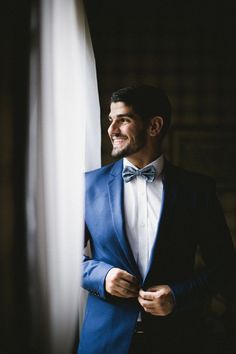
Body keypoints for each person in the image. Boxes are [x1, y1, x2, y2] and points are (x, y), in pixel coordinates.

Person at [78, 85, 236, 354]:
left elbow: (225, 267)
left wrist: (177, 296)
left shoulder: (196, 190)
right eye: (110, 120)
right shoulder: (88, 186)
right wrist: (101, 276)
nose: (112, 130)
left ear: (154, 126)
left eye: (123, 119)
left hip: (178, 340)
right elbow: (60, 259)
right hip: (104, 341)